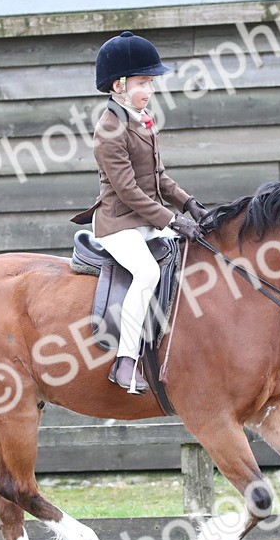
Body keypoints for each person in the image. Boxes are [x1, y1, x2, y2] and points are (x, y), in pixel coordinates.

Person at [70, 31, 209, 395]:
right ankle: (126, 362)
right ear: (119, 85)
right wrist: (170, 219)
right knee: (146, 272)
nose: (150, 88)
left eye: (150, 82)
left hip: (147, 219)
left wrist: (188, 203)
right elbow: (128, 190)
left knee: (192, 253)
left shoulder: (142, 117)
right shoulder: (109, 131)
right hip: (118, 224)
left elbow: (158, 177)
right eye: (143, 82)